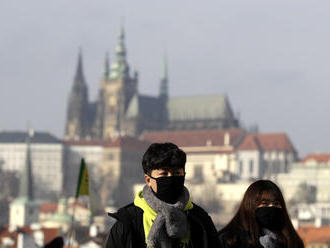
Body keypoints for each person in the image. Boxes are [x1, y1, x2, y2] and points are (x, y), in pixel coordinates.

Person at [104, 142, 220, 248]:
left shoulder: (200, 220)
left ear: (184, 175)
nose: (170, 178)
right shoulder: (128, 224)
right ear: (148, 180)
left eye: (176, 173)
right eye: (164, 174)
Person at [218, 180, 304, 248]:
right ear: (250, 205)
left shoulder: (292, 241)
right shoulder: (230, 239)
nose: (271, 208)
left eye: (276, 204)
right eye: (264, 204)